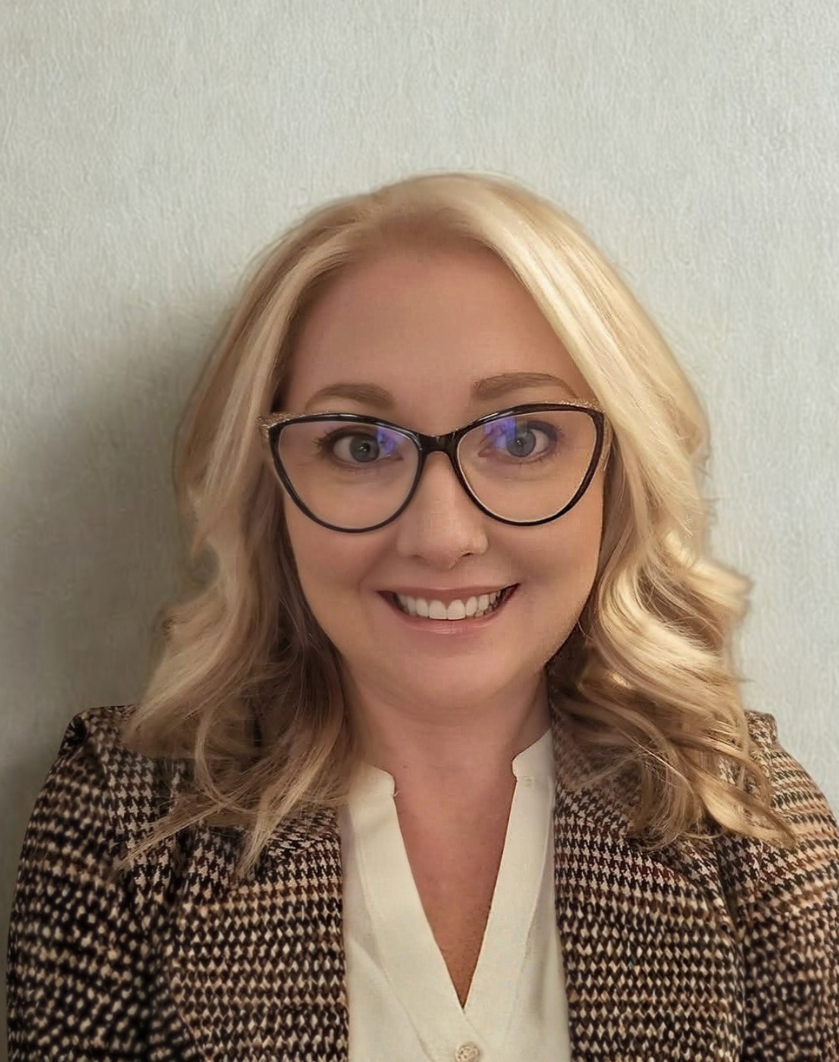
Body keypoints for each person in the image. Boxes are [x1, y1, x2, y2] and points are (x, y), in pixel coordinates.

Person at [6, 172, 838, 1062]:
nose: (442, 537)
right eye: (358, 445)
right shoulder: (122, 826)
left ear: (615, 476)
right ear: (269, 491)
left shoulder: (749, 830)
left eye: (520, 437)